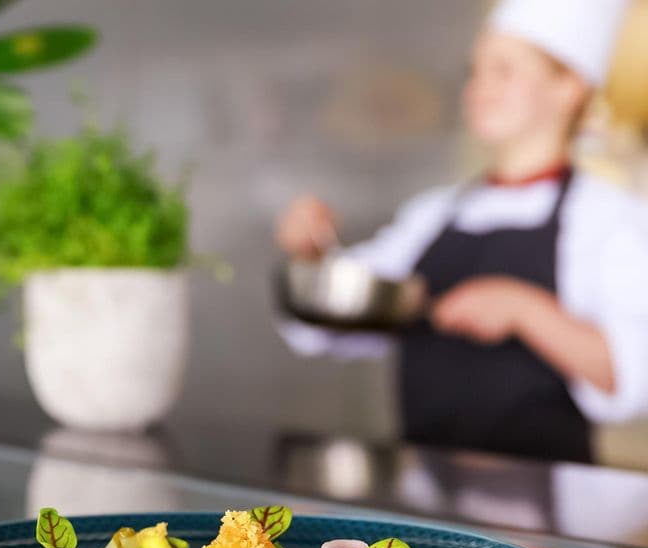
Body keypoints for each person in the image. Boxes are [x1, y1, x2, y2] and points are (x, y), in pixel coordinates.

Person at [277, 0, 648, 463]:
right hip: (427, 501)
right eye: (475, 72)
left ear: (569, 87)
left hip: (544, 517)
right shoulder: (434, 213)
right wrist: (311, 256)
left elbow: (633, 380)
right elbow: (335, 319)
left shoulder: (609, 216)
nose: (477, 89)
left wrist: (524, 310)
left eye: (503, 71)